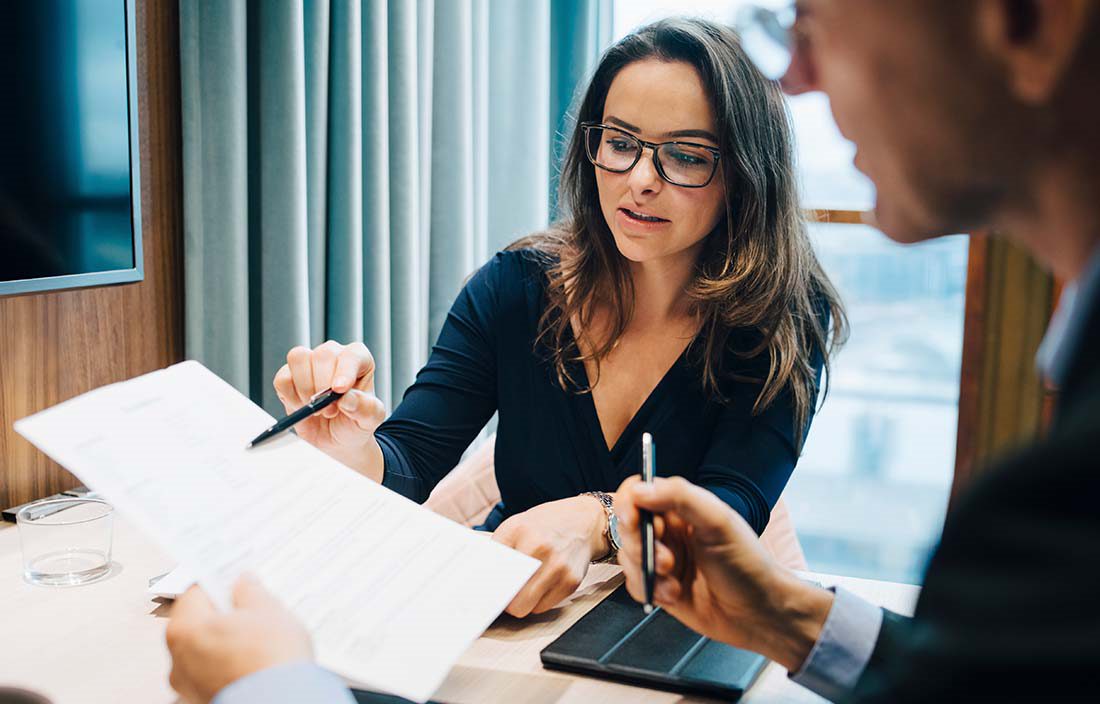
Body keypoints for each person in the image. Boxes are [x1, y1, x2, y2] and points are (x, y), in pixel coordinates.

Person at [165, 15, 845, 704]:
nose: (640, 179)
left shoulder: (781, 321)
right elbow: (409, 460)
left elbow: (734, 507)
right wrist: (353, 449)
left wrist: (596, 518)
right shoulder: (517, 287)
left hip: (655, 656)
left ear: (744, 174)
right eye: (620, 143)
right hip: (508, 634)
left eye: (687, 155)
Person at [611, 1, 1100, 702]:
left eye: (814, 24)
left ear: (1029, 25)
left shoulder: (1057, 510)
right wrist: (783, 613)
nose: (798, 80)